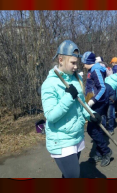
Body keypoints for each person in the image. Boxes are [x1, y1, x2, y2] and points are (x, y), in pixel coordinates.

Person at [41, 40, 98, 178]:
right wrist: (67, 98)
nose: (76, 66)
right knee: (73, 175)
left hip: (76, 136)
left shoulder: (75, 79)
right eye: (73, 63)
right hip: (61, 140)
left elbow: (82, 104)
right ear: (61, 60)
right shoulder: (49, 84)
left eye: (76, 63)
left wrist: (91, 114)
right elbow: (51, 116)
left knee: (68, 175)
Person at [82, 51, 113, 167]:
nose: (82, 65)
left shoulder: (95, 70)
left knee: (92, 129)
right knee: (96, 129)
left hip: (98, 103)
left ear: (87, 62)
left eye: (83, 62)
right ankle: (100, 152)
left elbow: (102, 87)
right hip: (95, 103)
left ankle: (106, 152)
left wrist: (93, 100)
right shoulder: (92, 70)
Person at [104, 68, 117, 135]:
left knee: (103, 113)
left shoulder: (109, 77)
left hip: (103, 95)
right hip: (111, 97)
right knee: (111, 114)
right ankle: (110, 129)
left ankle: (103, 129)